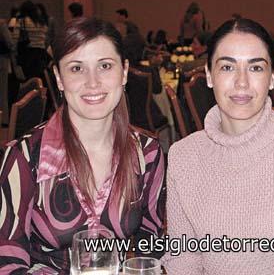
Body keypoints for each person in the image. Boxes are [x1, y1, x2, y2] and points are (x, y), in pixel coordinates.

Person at [164, 18, 274, 274]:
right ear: (209, 75)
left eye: (255, 68)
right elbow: (183, 259)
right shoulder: (183, 156)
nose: (241, 82)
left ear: (273, 76)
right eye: (227, 68)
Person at [0, 17, 166, 273]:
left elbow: (151, 241)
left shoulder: (147, 152)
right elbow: (7, 260)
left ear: (124, 72)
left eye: (105, 66)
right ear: (58, 78)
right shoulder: (23, 157)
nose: (93, 82)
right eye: (77, 68)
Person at [11, 0, 49, 80]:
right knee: (40, 77)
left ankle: (32, 92)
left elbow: (15, 37)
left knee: (29, 78)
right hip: (41, 53)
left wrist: (13, 52)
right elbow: (45, 37)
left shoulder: (22, 21)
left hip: (28, 53)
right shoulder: (41, 22)